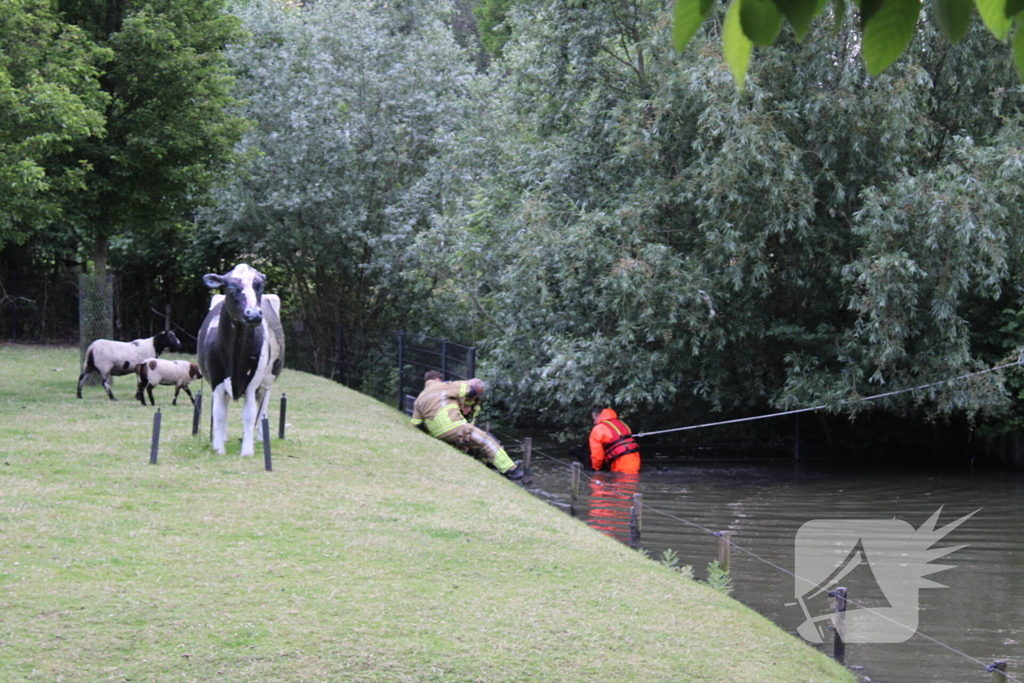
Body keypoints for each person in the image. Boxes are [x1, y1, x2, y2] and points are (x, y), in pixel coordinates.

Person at [411, 371, 524, 480]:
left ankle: (490, 463)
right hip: (455, 427)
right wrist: (469, 402)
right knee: (486, 440)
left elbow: (417, 424)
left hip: (436, 433)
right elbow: (473, 389)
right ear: (438, 379)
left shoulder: (419, 399)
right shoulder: (447, 386)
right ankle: (511, 470)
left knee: (474, 442)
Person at [588, 407, 641, 474]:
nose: (594, 422)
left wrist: (596, 469)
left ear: (598, 416)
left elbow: (598, 456)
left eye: (594, 419)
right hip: (635, 460)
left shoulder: (598, 429)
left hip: (620, 463)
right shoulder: (622, 424)